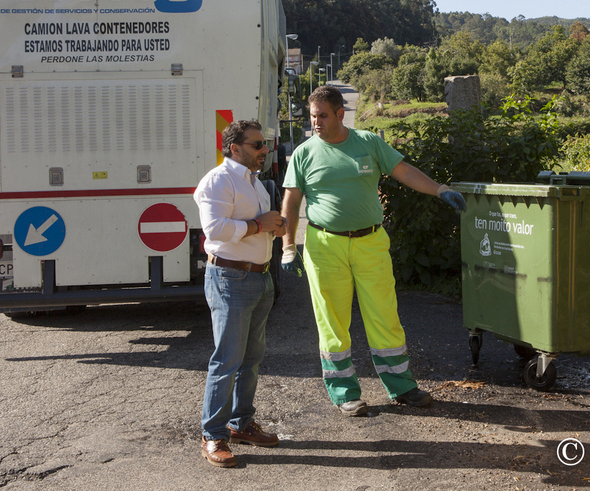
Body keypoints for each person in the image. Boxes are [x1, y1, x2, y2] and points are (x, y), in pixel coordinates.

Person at [280, 85, 466, 417]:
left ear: (340, 114)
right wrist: (288, 247)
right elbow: (291, 202)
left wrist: (440, 190)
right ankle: (344, 393)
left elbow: (404, 171)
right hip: (324, 246)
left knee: (384, 315)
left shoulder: (368, 143)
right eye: (312, 117)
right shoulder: (304, 154)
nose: (316, 122)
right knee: (332, 321)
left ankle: (402, 386)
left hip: (370, 242)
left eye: (323, 116)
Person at [194, 119, 288, 467]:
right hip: (230, 278)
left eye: (264, 144)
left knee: (251, 358)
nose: (264, 150)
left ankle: (241, 424)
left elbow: (257, 225)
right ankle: (213, 435)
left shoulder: (252, 180)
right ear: (235, 148)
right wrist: (260, 225)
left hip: (259, 278)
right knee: (228, 360)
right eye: (257, 145)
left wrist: (275, 227)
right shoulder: (218, 180)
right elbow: (214, 229)